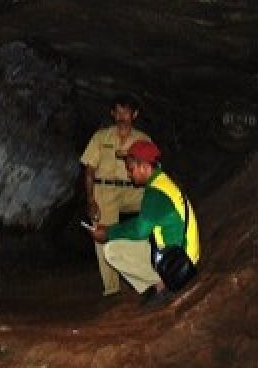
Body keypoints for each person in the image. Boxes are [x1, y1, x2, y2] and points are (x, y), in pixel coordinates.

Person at [90, 140, 199, 309]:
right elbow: (144, 222)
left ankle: (162, 286)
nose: (128, 174)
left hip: (178, 265)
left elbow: (140, 230)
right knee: (134, 236)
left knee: (112, 250)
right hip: (183, 255)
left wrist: (108, 233)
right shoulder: (162, 183)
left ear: (145, 167)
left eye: (131, 168)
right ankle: (159, 284)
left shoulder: (155, 193)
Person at [79, 94, 151, 296]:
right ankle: (112, 288)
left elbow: (151, 166)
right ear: (112, 114)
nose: (121, 116)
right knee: (100, 230)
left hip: (134, 188)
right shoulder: (101, 137)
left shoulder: (143, 139)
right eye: (117, 112)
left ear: (134, 115)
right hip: (106, 189)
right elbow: (90, 170)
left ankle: (150, 271)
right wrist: (91, 199)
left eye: (125, 112)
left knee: (154, 215)